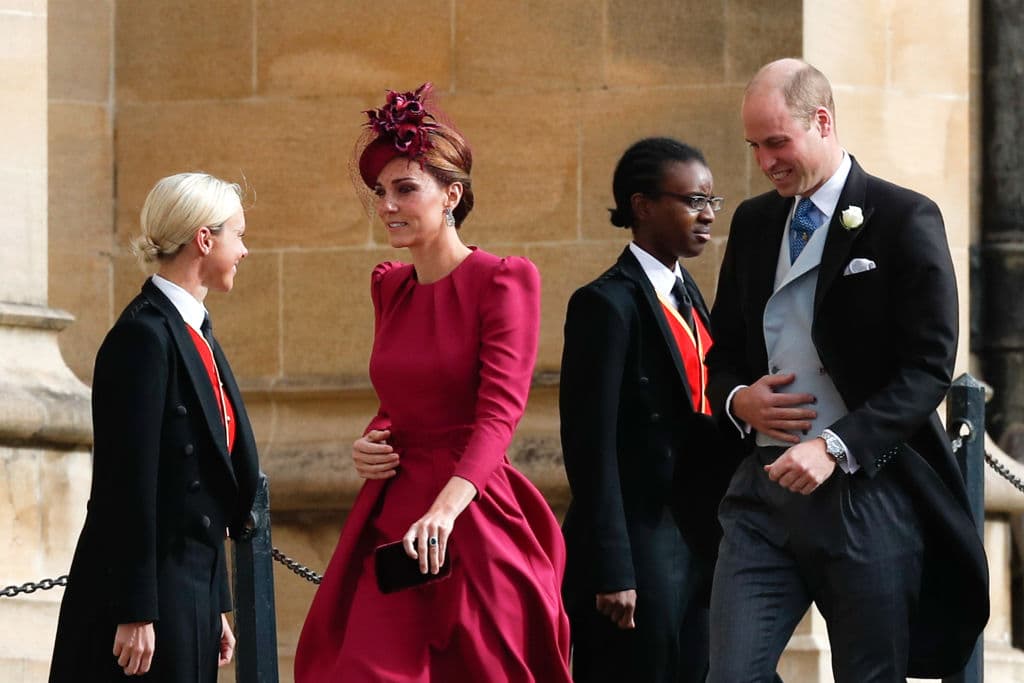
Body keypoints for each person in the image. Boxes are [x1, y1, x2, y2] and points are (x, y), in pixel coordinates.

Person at [705, 58, 989, 682]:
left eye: (777, 142)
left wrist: (835, 447)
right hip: (761, 493)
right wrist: (738, 400)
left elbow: (928, 368)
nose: (765, 162)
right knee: (729, 675)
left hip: (868, 495)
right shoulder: (753, 223)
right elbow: (721, 353)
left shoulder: (902, 217)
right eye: (754, 145)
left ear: (823, 121)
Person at [294, 83, 572, 683]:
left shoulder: (504, 281)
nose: (388, 205)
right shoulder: (388, 285)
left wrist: (445, 512)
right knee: (359, 669)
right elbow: (401, 396)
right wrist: (372, 437)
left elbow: (499, 414)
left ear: (452, 194)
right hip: (393, 512)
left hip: (472, 511)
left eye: (405, 189)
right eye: (381, 192)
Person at [49, 172, 261, 682]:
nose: (245, 250)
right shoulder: (143, 336)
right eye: (239, 234)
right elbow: (125, 486)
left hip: (192, 586)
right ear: (204, 240)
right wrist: (134, 609)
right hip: (151, 595)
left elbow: (211, 483)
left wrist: (218, 601)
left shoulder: (195, 330)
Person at [560, 137, 736, 682]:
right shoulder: (605, 304)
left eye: (712, 202)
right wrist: (613, 568)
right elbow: (590, 448)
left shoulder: (690, 293)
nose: (707, 215)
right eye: (692, 201)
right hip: (639, 546)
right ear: (642, 206)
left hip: (699, 537)